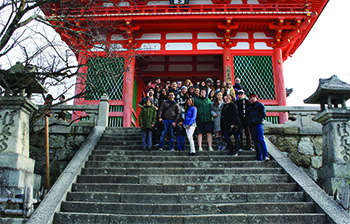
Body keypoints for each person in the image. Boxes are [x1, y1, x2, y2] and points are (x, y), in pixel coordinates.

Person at [247, 93, 270, 161]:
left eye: (254, 97)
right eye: (251, 97)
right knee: (255, 141)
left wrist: (257, 120)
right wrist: (248, 122)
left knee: (260, 140)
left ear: (256, 98)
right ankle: (258, 156)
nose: (252, 99)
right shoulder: (249, 107)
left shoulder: (260, 105)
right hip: (251, 125)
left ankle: (265, 155)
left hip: (258, 124)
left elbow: (263, 114)